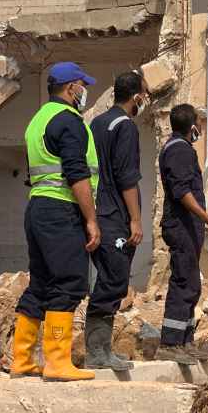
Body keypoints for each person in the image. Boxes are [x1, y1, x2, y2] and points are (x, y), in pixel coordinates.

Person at [12, 61, 100, 382]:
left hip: (37, 209)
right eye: (83, 85)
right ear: (71, 88)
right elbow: (76, 173)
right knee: (69, 282)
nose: (84, 91)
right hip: (62, 211)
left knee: (41, 284)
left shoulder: (37, 121)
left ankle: (22, 360)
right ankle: (57, 363)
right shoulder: (69, 121)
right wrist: (91, 219)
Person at [84, 71, 149, 371]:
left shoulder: (98, 122)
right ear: (136, 96)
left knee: (108, 279)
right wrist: (136, 219)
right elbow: (127, 178)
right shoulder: (126, 127)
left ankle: (100, 351)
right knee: (112, 281)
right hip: (114, 216)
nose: (145, 100)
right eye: (144, 95)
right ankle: (97, 353)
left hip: (97, 213)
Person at [157, 103, 208, 365]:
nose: (201, 128)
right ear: (191, 127)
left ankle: (185, 341)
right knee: (184, 282)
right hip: (181, 225)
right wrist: (205, 216)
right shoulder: (179, 150)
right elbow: (181, 191)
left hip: (188, 225)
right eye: (199, 123)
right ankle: (170, 343)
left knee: (191, 283)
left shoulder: (179, 148)